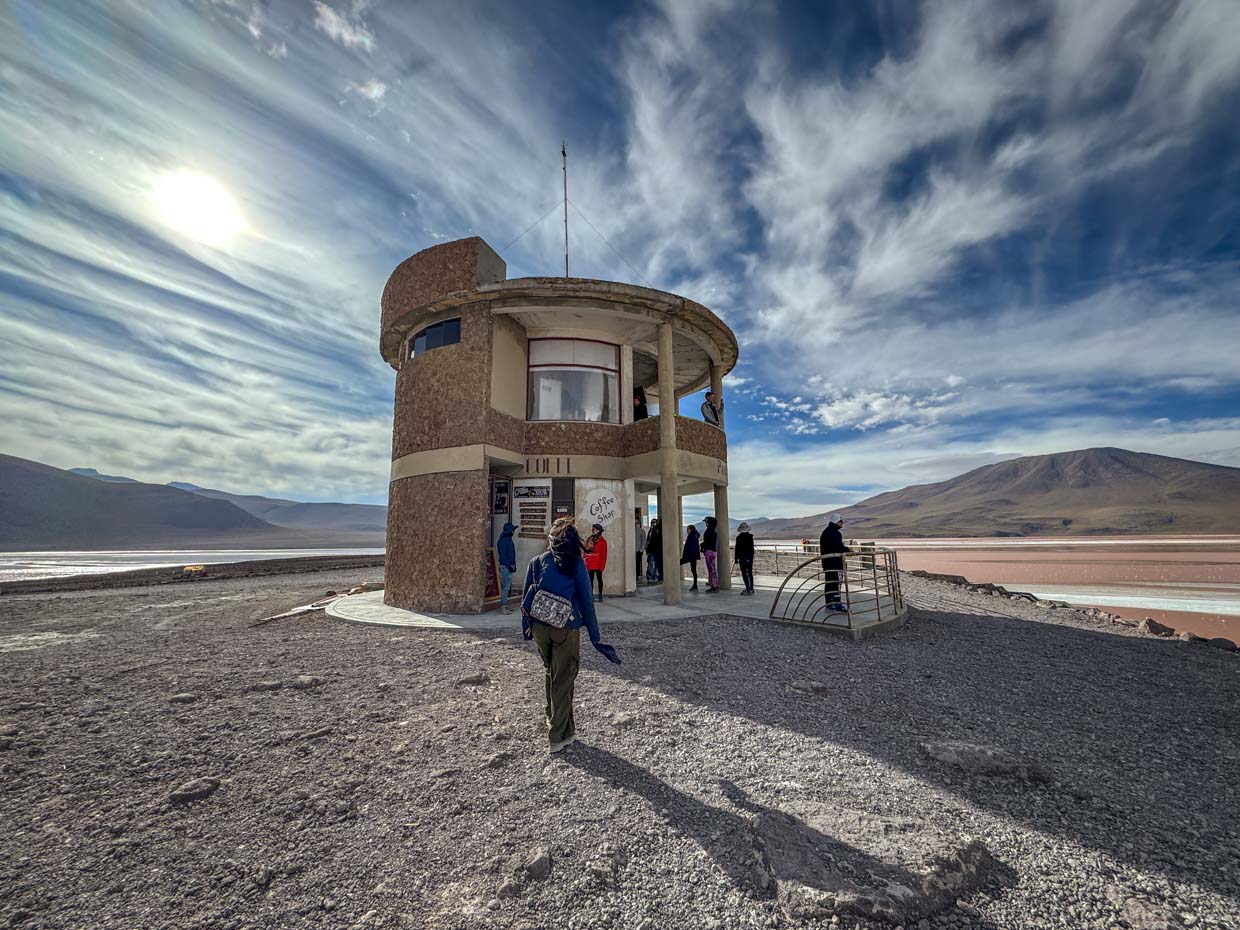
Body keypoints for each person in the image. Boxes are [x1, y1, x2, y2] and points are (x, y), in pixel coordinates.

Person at [521, 516, 621, 754]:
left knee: (551, 672)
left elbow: (526, 599)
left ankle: (559, 723)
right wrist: (595, 637)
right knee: (564, 679)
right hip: (566, 627)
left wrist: (526, 629)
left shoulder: (536, 562)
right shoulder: (575, 564)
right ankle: (557, 736)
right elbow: (587, 600)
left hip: (539, 627)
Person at [820, 513, 851, 612]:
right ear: (837, 521)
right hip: (835, 563)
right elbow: (838, 547)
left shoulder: (826, 532)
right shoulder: (835, 533)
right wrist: (848, 550)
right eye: (841, 522)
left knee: (829, 583)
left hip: (827, 563)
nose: (842, 524)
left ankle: (829, 603)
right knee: (836, 584)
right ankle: (836, 604)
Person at [583, 523, 608, 601]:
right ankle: (590, 595)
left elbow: (604, 555)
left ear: (599, 531)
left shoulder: (602, 542)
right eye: (593, 529)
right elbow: (586, 550)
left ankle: (600, 595)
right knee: (590, 580)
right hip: (590, 563)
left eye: (595, 530)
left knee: (599, 579)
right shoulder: (590, 539)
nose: (593, 531)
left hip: (598, 564)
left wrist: (602, 566)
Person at [496, 520, 517, 611]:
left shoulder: (508, 540)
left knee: (507, 587)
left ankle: (505, 605)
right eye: (512, 530)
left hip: (509, 566)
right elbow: (503, 556)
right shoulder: (503, 541)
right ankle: (503, 606)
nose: (513, 532)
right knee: (505, 587)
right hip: (505, 566)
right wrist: (509, 565)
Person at [735, 522, 755, 595]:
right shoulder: (750, 537)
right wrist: (750, 557)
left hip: (742, 558)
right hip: (749, 558)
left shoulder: (739, 538)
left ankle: (748, 589)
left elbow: (737, 549)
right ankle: (751, 588)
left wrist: (736, 558)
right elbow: (751, 549)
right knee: (749, 573)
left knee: (745, 574)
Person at [702, 516, 719, 593]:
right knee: (712, 569)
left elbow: (708, 542)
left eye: (706, 521)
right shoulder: (713, 530)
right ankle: (713, 584)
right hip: (713, 551)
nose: (705, 523)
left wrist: (702, 545)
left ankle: (714, 587)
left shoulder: (710, 530)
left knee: (711, 569)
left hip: (709, 551)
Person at [681, 523, 701, 591]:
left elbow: (690, 546)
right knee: (693, 570)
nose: (687, 531)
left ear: (690, 529)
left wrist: (686, 556)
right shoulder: (695, 535)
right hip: (693, 555)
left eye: (688, 529)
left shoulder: (692, 535)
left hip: (690, 556)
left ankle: (695, 585)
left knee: (677, 563)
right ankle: (695, 585)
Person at [645, 517, 662, 583]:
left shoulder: (657, 531)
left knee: (656, 564)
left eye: (654, 522)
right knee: (650, 564)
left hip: (656, 550)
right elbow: (648, 540)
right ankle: (649, 577)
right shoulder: (650, 531)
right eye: (651, 523)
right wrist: (646, 549)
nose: (652, 524)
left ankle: (655, 576)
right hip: (651, 550)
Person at [634, 512, 647, 582]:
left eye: (637, 523)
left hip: (639, 550)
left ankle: (637, 576)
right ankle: (634, 576)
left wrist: (641, 550)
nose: (636, 524)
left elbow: (644, 540)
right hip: (633, 550)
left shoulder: (642, 531)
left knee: (637, 564)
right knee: (634, 563)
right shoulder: (632, 531)